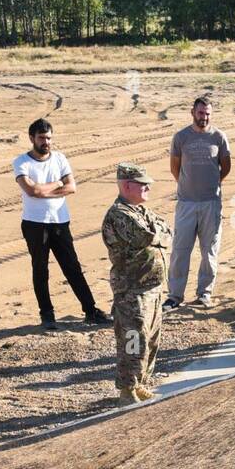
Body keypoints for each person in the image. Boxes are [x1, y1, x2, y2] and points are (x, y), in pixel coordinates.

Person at [13, 118, 112, 330]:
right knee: (40, 270)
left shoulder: (59, 158)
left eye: (48, 137)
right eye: (41, 138)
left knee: (73, 267)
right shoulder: (22, 162)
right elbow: (32, 191)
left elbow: (72, 187)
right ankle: (47, 315)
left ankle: (91, 310)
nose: (46, 142)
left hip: (60, 221)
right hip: (34, 223)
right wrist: (58, 183)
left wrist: (48, 188)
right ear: (32, 138)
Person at [101, 163, 172, 405]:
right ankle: (127, 389)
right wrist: (156, 235)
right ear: (127, 185)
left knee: (151, 339)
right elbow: (146, 237)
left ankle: (140, 382)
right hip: (132, 289)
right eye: (142, 184)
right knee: (133, 338)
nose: (147, 187)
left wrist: (157, 235)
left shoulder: (140, 211)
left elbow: (167, 231)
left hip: (151, 286)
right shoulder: (119, 214)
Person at [165, 97, 231, 311]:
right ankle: (174, 296)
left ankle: (204, 294)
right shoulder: (181, 137)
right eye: (201, 113)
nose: (204, 117)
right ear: (192, 112)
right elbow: (175, 168)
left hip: (211, 203)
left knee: (209, 251)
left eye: (208, 114)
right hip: (186, 203)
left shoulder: (219, 137)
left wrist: (213, 184)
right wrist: (186, 185)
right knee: (180, 250)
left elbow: (225, 167)